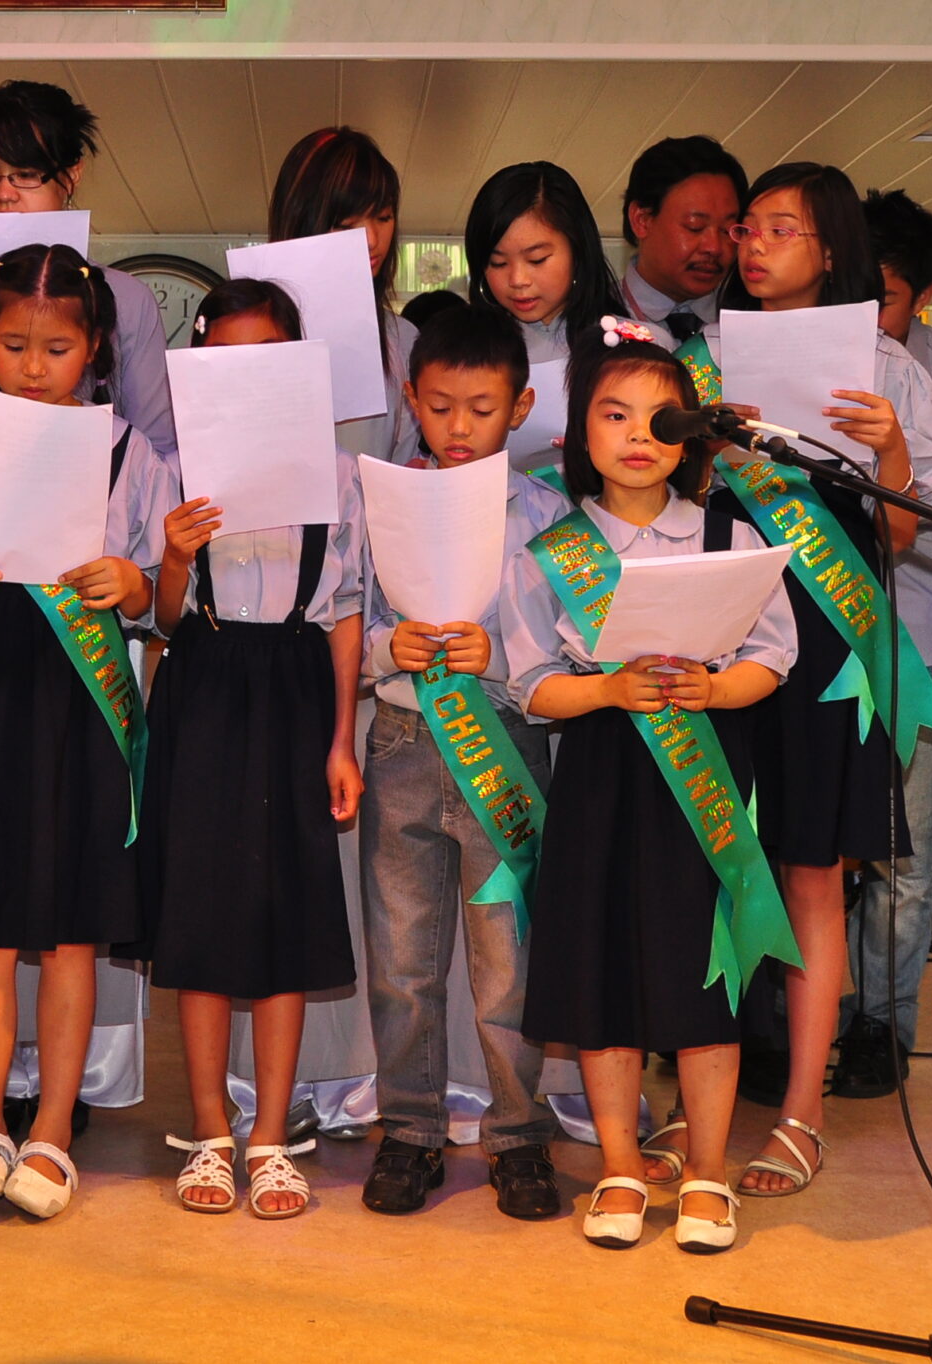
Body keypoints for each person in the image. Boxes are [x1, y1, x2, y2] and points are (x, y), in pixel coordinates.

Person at [0, 244, 176, 1221]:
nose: (32, 366)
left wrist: (133, 584)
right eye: (13, 345)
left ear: (93, 348)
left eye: (56, 348)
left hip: (82, 706)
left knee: (68, 935)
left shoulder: (130, 453)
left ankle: (53, 1128)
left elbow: (163, 593)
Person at [503, 329, 798, 1252]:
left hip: (705, 779)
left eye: (659, 419)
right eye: (614, 414)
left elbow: (773, 656)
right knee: (604, 975)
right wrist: (605, 691)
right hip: (601, 777)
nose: (637, 435)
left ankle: (706, 1172)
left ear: (690, 435)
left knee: (705, 975)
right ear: (578, 431)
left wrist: (715, 689)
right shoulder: (550, 551)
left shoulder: (731, 538)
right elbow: (529, 682)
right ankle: (623, 1166)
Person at [713, 161, 932, 1198]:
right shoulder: (702, 356)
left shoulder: (887, 368)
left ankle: (803, 1111)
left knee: (812, 872)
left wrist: (890, 448)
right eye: (749, 226)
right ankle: (705, 1088)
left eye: (782, 228)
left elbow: (904, 535)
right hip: (720, 628)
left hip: (823, 643)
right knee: (717, 857)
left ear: (830, 249)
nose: (755, 244)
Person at [134, 280, 364, 1219]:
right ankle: (210, 1129)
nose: (248, 374)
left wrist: (341, 738)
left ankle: (270, 1135)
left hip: (297, 689)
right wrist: (174, 557)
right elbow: (159, 620)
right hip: (204, 683)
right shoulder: (170, 468)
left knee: (284, 914)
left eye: (267, 355)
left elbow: (346, 614)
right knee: (200, 912)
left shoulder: (339, 474)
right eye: (225, 358)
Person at [356, 305, 573, 1222]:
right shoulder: (381, 502)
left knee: (506, 961)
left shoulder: (550, 516)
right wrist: (386, 648)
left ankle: (518, 1136)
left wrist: (508, 659)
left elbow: (574, 649)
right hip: (402, 742)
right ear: (412, 399)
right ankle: (409, 1130)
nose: (457, 427)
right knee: (402, 958)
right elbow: (348, 622)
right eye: (440, 406)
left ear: (519, 407)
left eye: (481, 409)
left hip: (504, 748)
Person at [833, 188, 932, 1099]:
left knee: (902, 854)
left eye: (883, 297)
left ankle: (882, 1025)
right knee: (816, 851)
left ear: (921, 295)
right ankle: (801, 1017)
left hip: (916, 639)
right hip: (818, 646)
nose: (865, 313)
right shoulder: (800, 358)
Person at [0, 79, 175, 456]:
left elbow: (157, 447)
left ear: (72, 174)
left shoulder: (127, 299)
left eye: (26, 174)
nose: (4, 193)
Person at [268, 126, 423, 464]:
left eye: (384, 217)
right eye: (345, 224)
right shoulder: (242, 329)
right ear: (300, 221)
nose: (371, 239)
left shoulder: (403, 339)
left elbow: (405, 464)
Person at [462, 162, 625, 449]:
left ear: (577, 249)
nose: (518, 280)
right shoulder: (462, 353)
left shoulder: (635, 344)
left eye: (537, 260)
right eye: (497, 263)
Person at [617, 136, 745, 349]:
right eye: (695, 226)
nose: (714, 247)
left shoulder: (748, 322)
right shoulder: (588, 321)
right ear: (642, 220)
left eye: (727, 230)